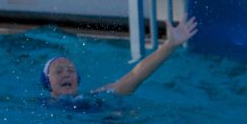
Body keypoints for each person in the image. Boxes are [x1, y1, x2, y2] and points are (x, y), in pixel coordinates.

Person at [41, 17, 197, 99]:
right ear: (47, 82)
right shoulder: (40, 109)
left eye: (71, 70)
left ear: (77, 79)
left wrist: (170, 45)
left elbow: (135, 76)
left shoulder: (92, 98)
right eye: (58, 71)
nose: (66, 74)